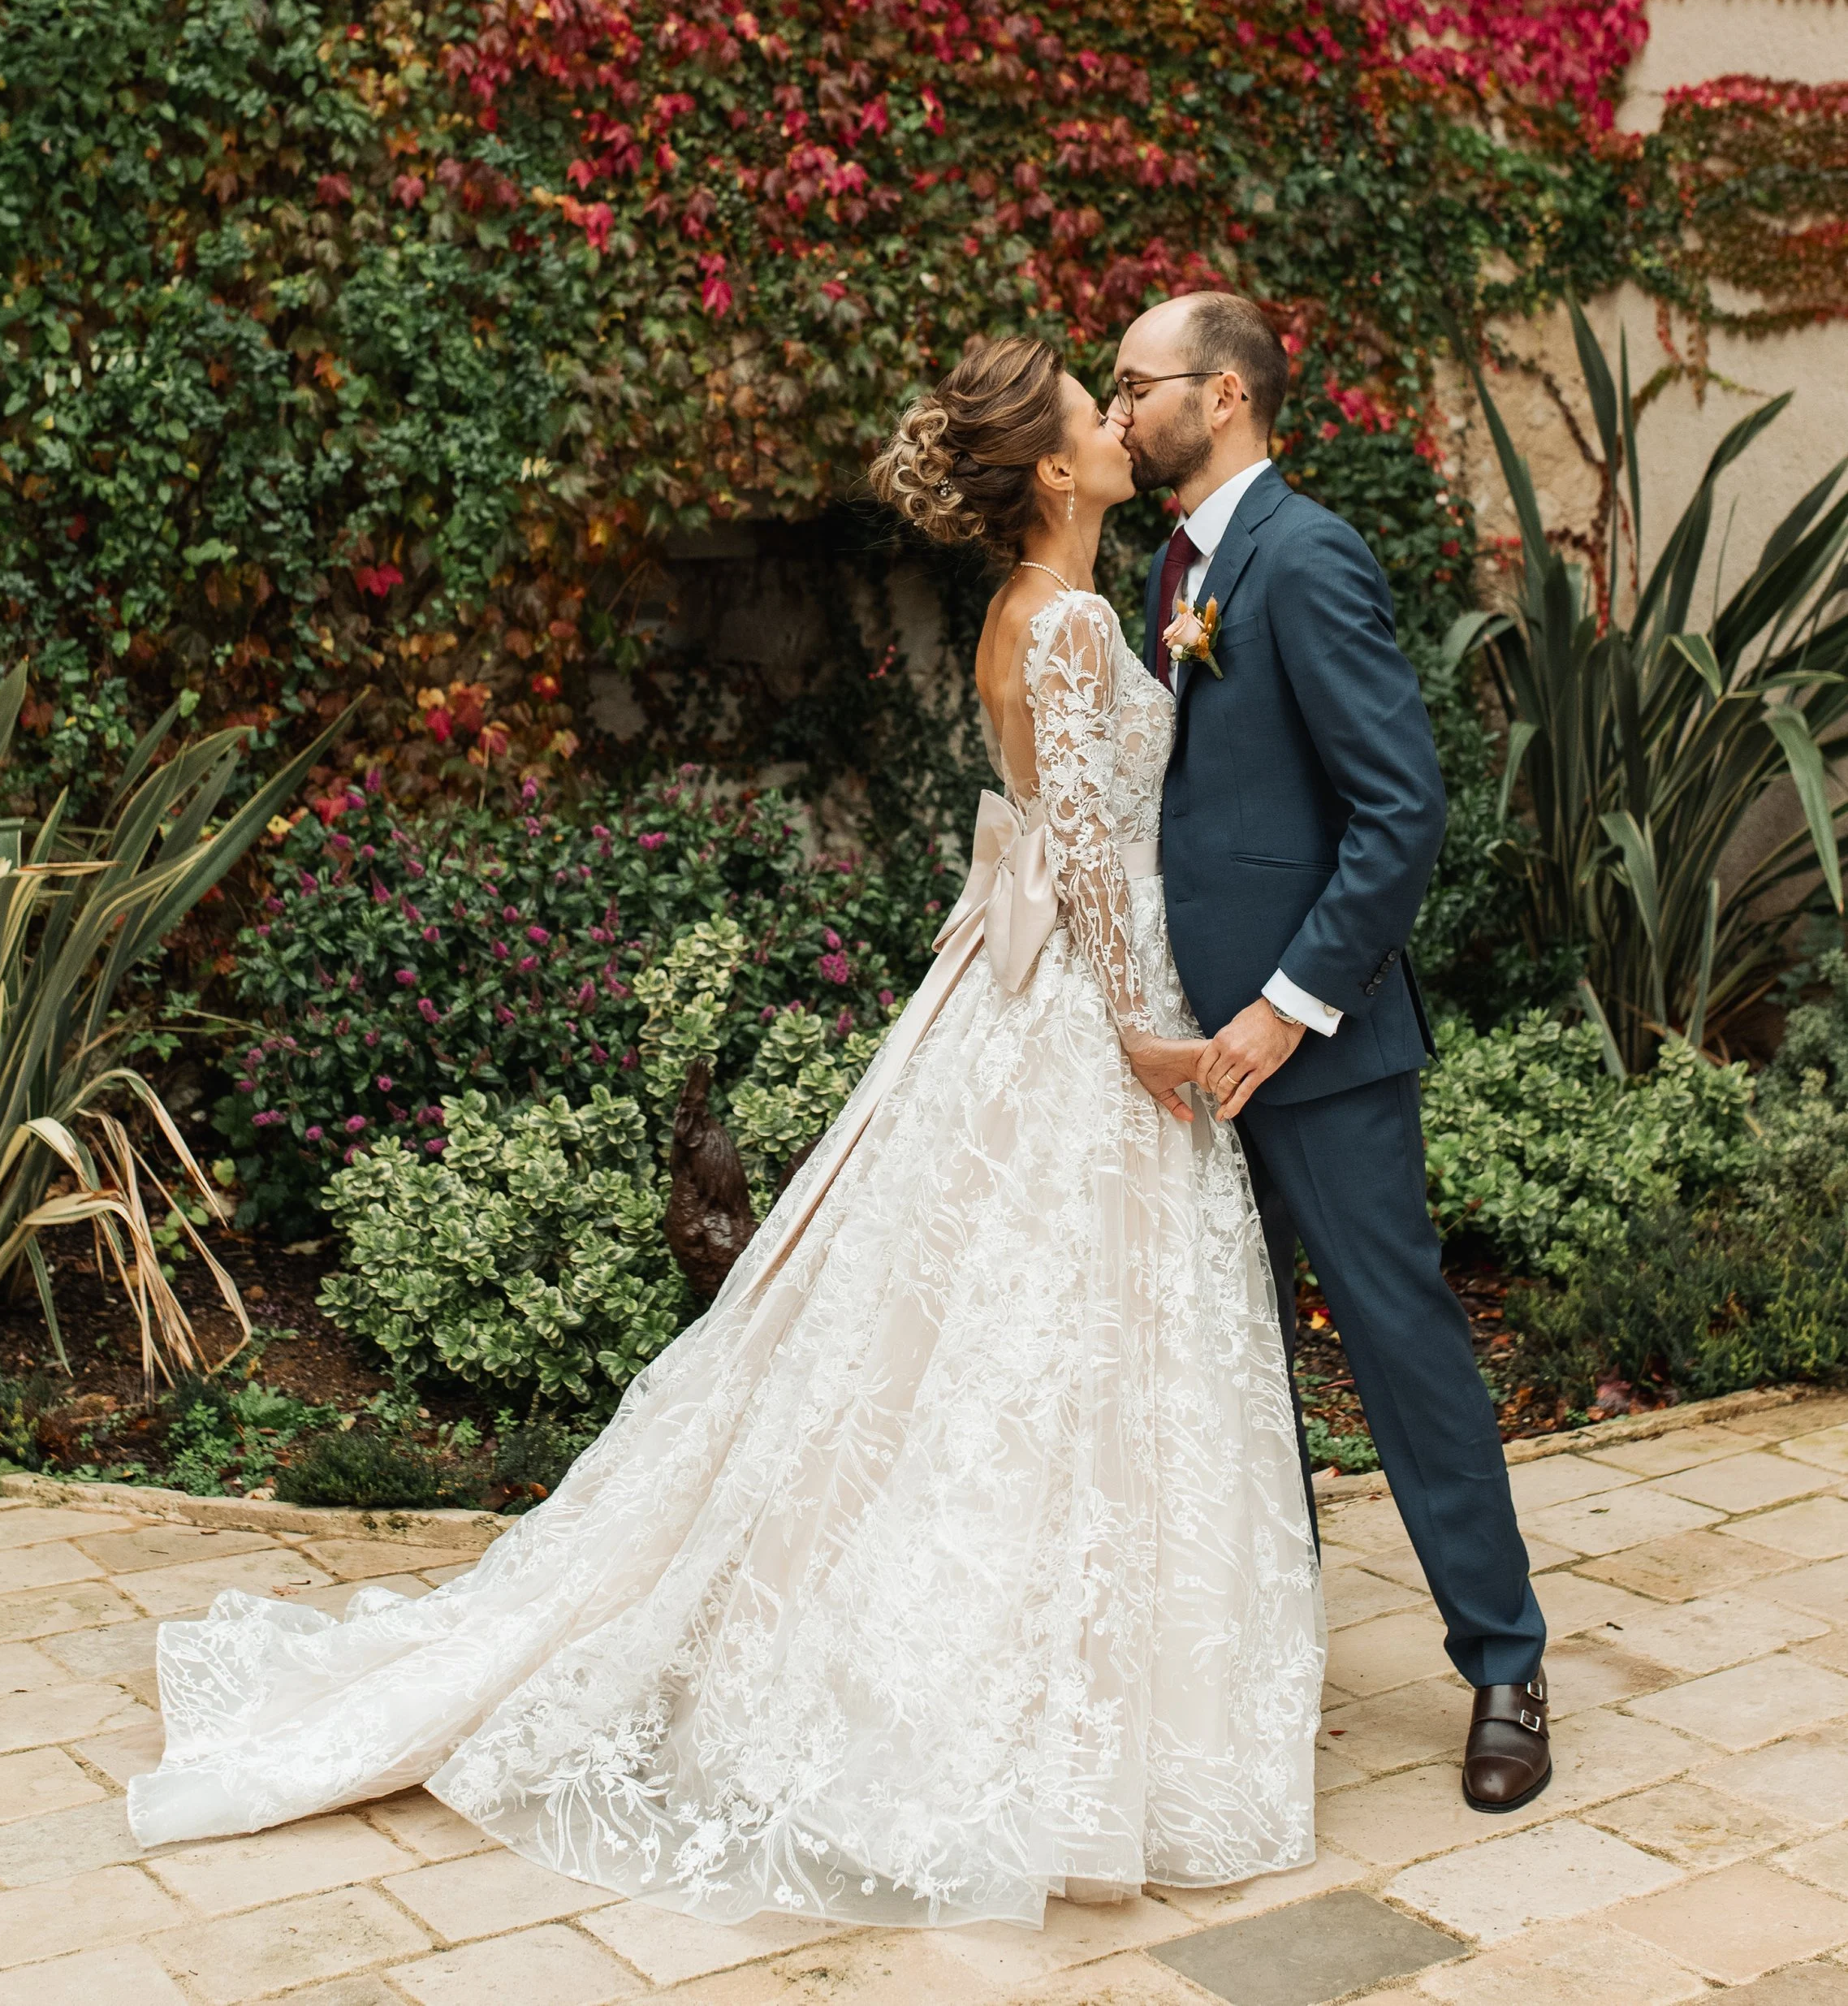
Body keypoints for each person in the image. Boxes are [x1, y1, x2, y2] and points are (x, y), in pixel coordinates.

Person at [127, 335, 1324, 1921]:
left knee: (965, 1340)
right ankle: (1015, 1708)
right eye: (1091, 418)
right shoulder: (1077, 618)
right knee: (1055, 1340)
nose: (1120, 426)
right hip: (1086, 1011)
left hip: (1016, 995)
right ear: (1050, 472)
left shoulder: (1031, 613)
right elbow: (1095, 863)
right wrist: (1145, 1040)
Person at [1116, 290, 1550, 1814]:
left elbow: (1401, 811)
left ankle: (1504, 1659)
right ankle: (1263, 1656)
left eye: (1136, 382)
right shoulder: (1170, 564)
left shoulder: (1303, 558)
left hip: (1317, 1052)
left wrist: (1286, 1004)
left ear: (1223, 394)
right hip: (1191, 1059)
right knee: (1229, 1364)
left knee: (1402, 1348)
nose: (1116, 407)